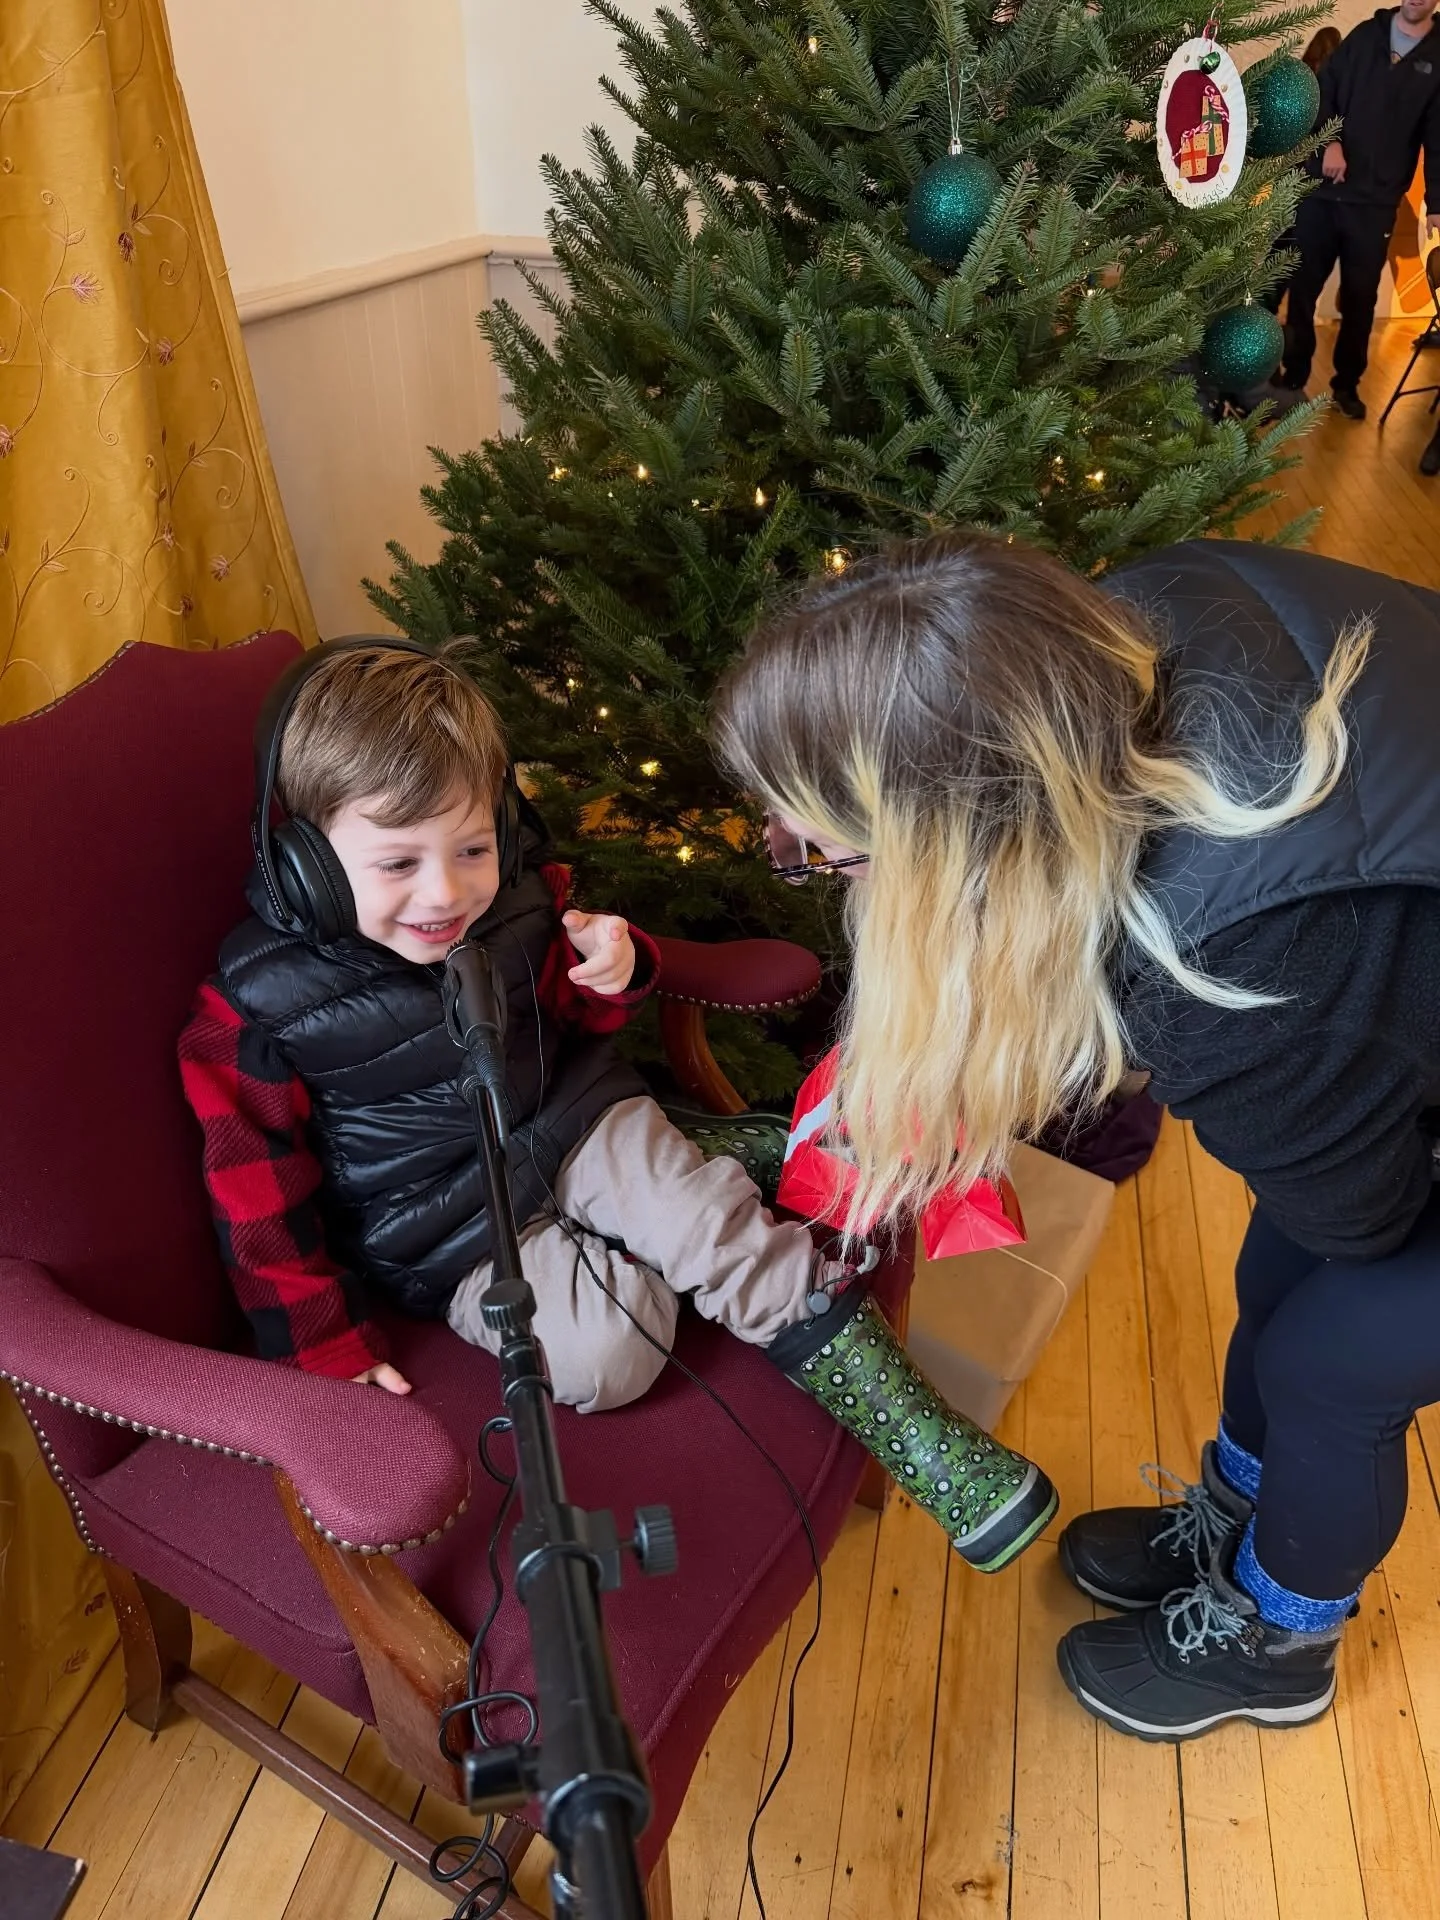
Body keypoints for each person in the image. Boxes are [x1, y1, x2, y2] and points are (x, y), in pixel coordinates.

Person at [714, 531, 1440, 1740]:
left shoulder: (1221, 956)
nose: (813, 865)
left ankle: (1281, 1638)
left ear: (957, 844)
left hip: (1350, 947)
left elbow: (1364, 1218)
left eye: (833, 849)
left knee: (1334, 1362)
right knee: (1283, 1274)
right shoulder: (1132, 612)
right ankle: (1244, 1524)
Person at [176, 636, 1058, 1572]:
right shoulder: (256, 1009)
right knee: (612, 1359)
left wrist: (616, 969)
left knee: (724, 1240)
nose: (446, 893)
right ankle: (708, 1162)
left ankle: (926, 1443)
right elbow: (257, 1207)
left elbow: (578, 1018)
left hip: (581, 1121)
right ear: (306, 862)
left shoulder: (515, 904)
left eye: (472, 848)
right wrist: (325, 1346)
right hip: (457, 1230)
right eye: (397, 864)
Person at [1277, 0, 1440, 418]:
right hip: (1323, 191)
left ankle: (1346, 385)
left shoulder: (1437, 57)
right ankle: (1292, 376)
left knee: (1360, 300)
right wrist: (1329, 142)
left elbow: (1437, 137)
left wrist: (1436, 202)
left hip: (1374, 203)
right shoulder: (1366, 36)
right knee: (1303, 290)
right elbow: (1323, 92)